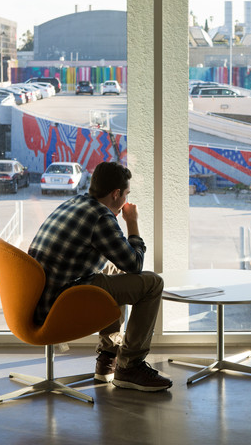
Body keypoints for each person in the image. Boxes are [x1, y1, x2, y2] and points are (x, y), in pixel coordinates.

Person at [28, 161, 172, 392]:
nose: (126, 200)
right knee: (152, 284)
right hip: (60, 304)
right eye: (126, 194)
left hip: (41, 297)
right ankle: (130, 366)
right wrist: (132, 222)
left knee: (114, 271)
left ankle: (108, 357)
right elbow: (135, 264)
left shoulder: (75, 203)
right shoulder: (101, 217)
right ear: (116, 194)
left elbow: (122, 264)